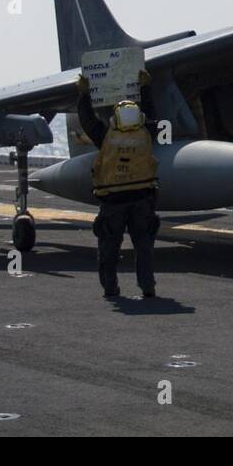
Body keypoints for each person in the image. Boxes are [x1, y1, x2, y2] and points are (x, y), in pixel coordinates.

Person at [77, 75, 160, 300]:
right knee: (144, 247)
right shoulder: (147, 133)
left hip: (113, 202)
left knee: (109, 248)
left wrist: (84, 94)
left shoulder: (105, 136)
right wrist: (146, 88)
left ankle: (111, 288)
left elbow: (87, 120)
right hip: (142, 200)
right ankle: (147, 286)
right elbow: (153, 114)